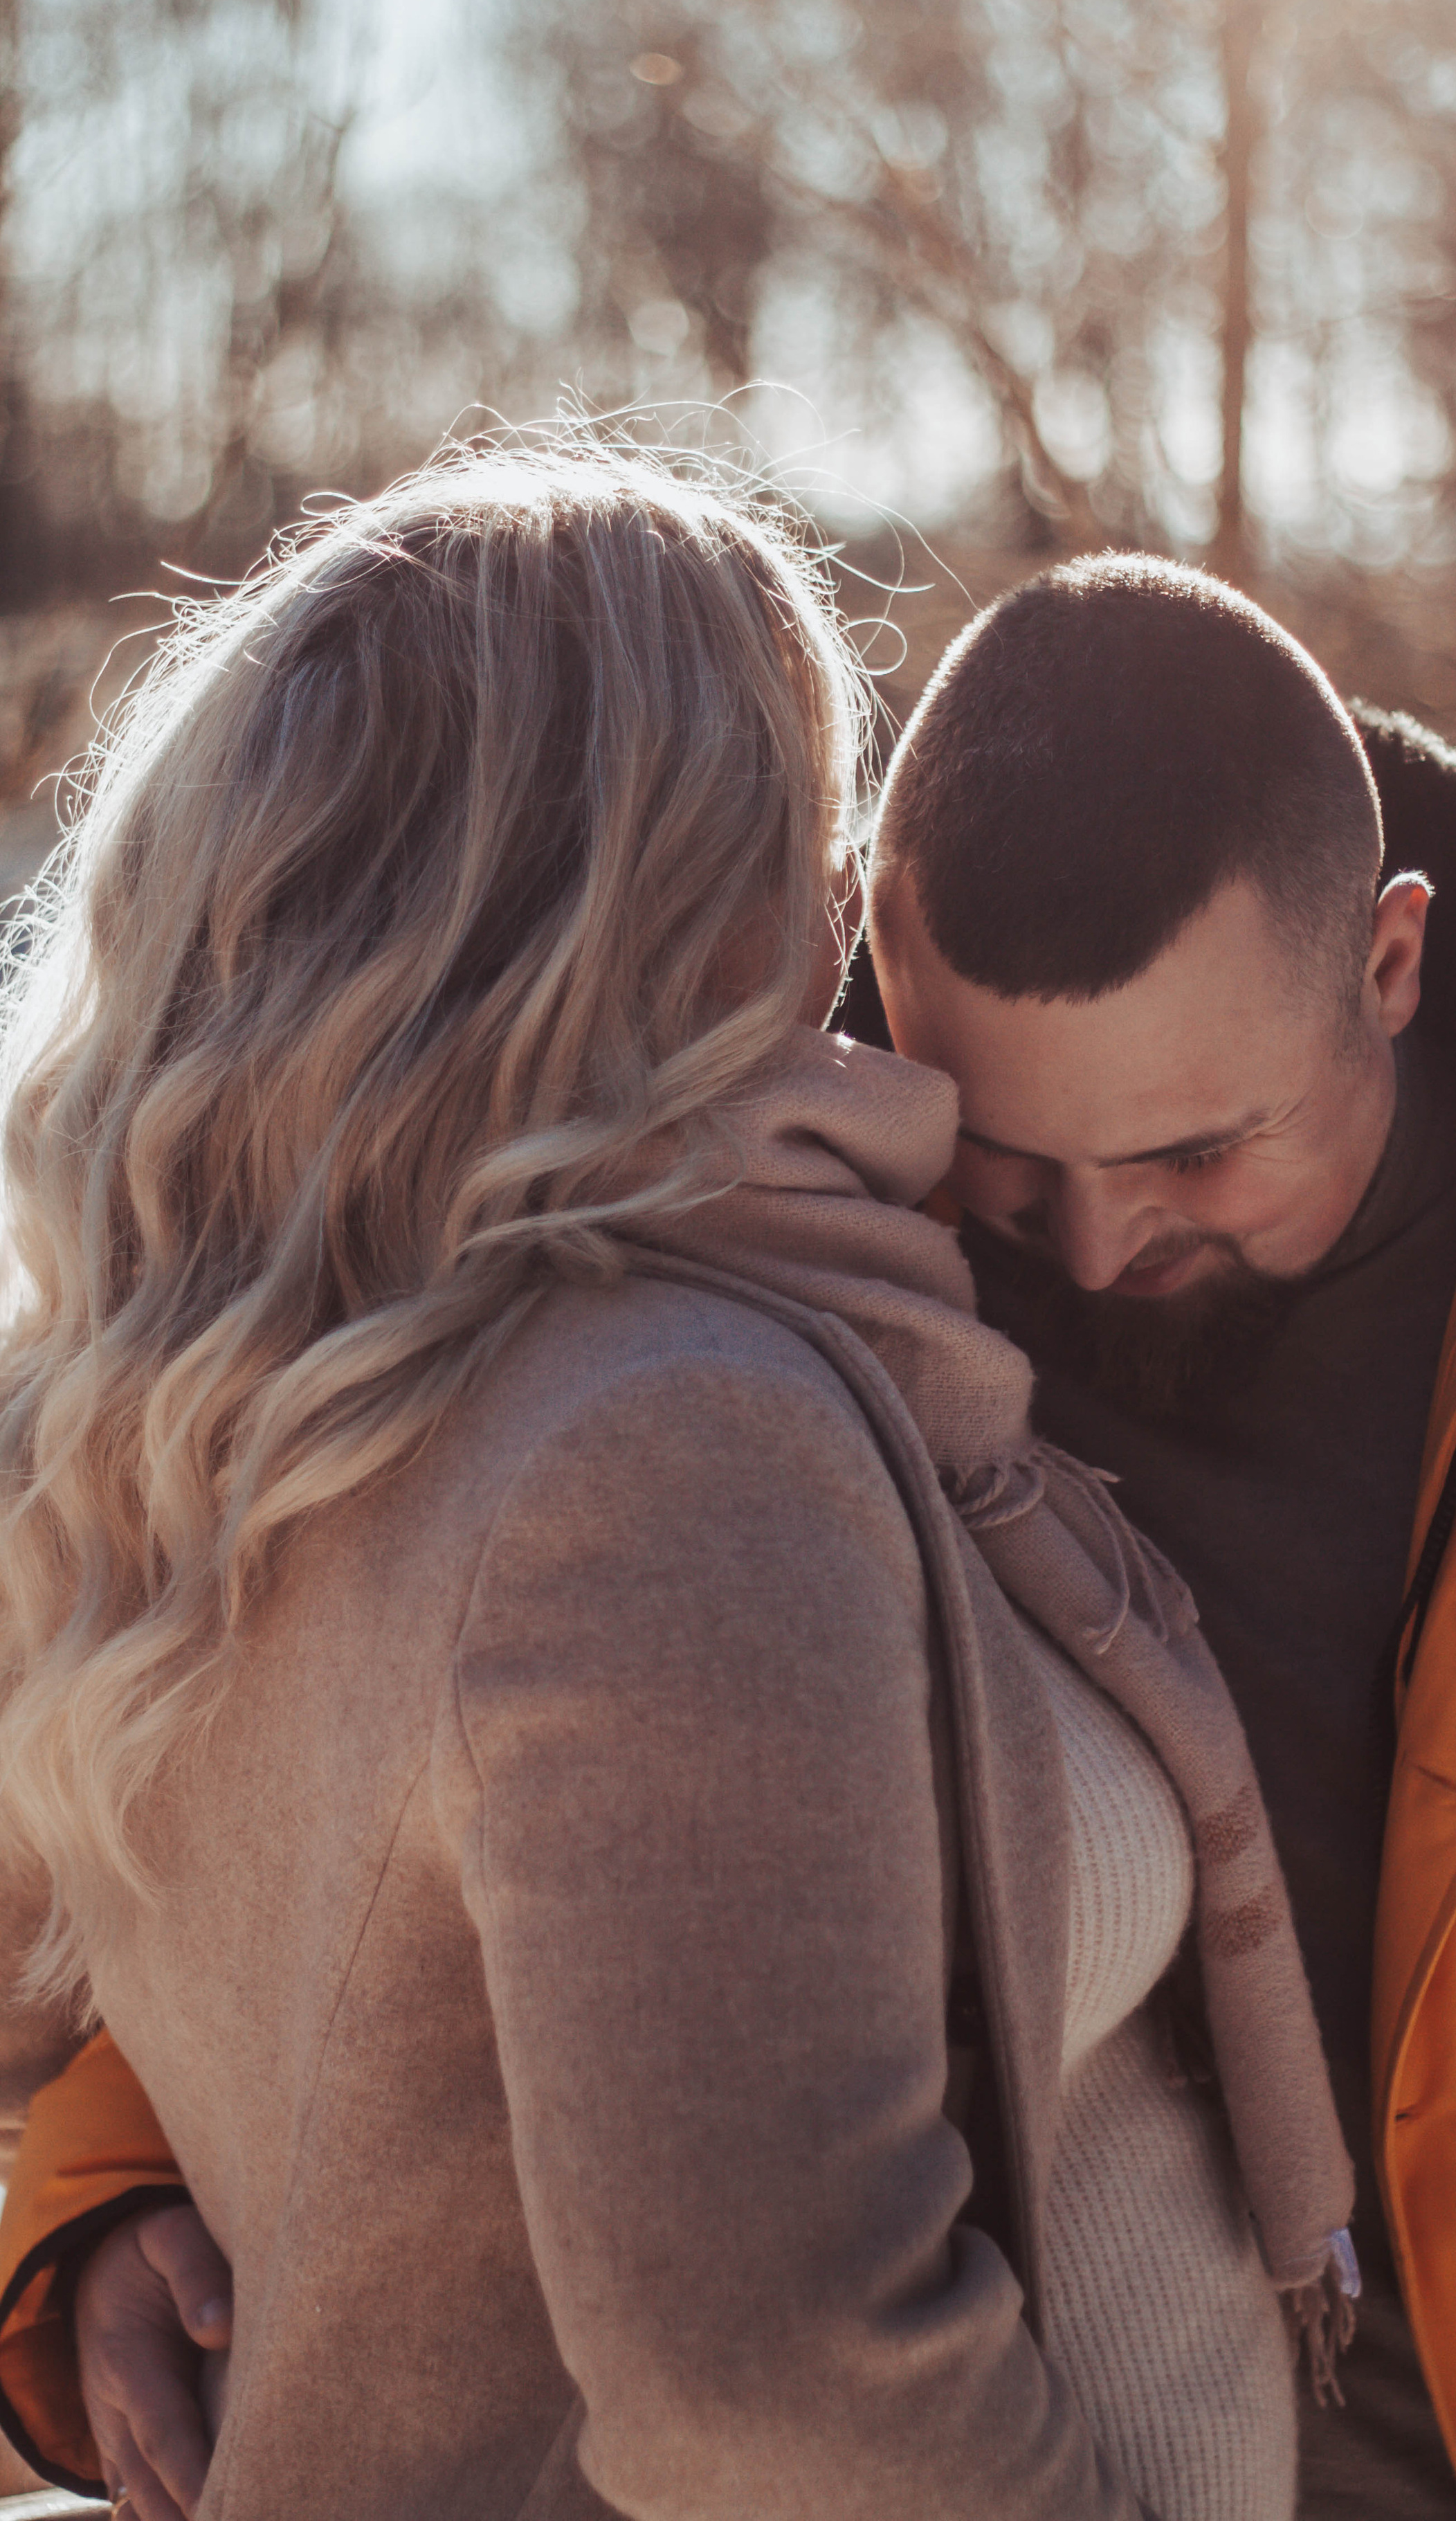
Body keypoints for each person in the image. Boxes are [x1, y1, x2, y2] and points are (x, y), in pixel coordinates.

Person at [0, 449, 1354, 2521]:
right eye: (810, 821)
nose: (846, 913)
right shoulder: (665, 1436)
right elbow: (784, 2386)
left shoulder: (208, 1401)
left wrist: (81, 2221)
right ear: (669, 887)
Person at [854, 553, 1456, 2520]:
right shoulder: (785, 1238)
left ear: (1388, 965)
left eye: (1196, 1153)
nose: (1093, 1246)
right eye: (1005, 1151)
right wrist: (157, 2181)